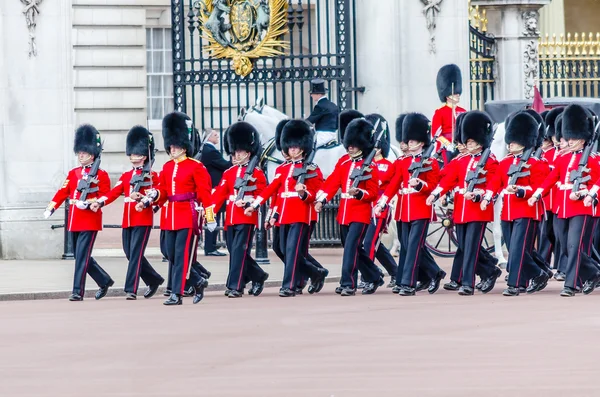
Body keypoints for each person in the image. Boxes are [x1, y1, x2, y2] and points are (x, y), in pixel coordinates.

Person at [247, 120, 328, 297]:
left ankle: (289, 286)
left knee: (292, 251)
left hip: (300, 214)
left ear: (302, 147)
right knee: (282, 250)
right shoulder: (282, 169)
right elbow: (271, 190)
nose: (292, 149)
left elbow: (316, 193)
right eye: (290, 146)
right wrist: (256, 204)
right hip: (283, 214)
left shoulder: (311, 169)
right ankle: (315, 273)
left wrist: (304, 193)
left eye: (295, 146)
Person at [139, 111, 212, 305]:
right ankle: (197, 281)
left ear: (184, 146)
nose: (172, 149)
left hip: (187, 214)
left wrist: (210, 217)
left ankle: (176, 294)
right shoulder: (167, 167)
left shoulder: (196, 166)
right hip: (169, 215)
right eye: (170, 145)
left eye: (176, 145)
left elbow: (206, 194)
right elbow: (163, 190)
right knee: (168, 252)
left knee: (180, 255)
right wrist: (154, 196)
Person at [529, 104, 600, 297]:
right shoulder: (562, 158)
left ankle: (570, 285)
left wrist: (588, 194)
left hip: (582, 208)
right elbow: (551, 179)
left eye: (573, 138)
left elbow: (598, 182)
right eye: (568, 137)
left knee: (574, 246)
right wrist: (538, 194)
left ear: (584, 138)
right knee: (565, 246)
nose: (569, 141)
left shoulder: (593, 159)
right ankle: (593, 273)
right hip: (563, 207)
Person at [481, 112, 550, 296]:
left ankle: (514, 284)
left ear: (525, 141)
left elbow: (538, 187)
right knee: (514, 248)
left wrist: (521, 191)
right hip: (508, 212)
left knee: (518, 249)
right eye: (510, 142)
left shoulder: (536, 163)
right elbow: (496, 182)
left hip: (526, 210)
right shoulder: (505, 163)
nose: (510, 144)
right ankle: (535, 275)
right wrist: (487, 196)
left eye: (514, 141)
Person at [92, 126, 165, 300]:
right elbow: (113, 193)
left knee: (136, 254)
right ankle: (154, 279)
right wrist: (100, 202)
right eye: (132, 154)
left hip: (143, 218)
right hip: (128, 220)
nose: (133, 157)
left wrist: (145, 197)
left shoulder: (152, 176)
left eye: (137, 154)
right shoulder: (126, 176)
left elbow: (160, 195)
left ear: (144, 156)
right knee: (129, 253)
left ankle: (131, 289)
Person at [375, 113, 444, 296]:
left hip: (421, 208)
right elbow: (393, 185)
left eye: (413, 141)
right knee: (408, 246)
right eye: (408, 141)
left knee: (413, 246)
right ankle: (434, 273)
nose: (409, 144)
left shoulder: (430, 162)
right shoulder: (402, 162)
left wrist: (420, 185)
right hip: (403, 209)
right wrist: (383, 202)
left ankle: (408, 283)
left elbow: (434, 185)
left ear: (422, 142)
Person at [43, 124, 114, 301]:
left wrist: (91, 202)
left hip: (90, 219)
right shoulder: (73, 173)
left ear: (92, 154)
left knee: (81, 257)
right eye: (80, 152)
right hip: (75, 219)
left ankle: (77, 291)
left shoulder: (101, 175)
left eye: (84, 152)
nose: (80, 155)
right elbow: (63, 192)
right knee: (80, 255)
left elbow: (104, 195)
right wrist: (51, 207)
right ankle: (104, 280)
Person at [315, 117, 384, 296]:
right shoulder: (344, 162)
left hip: (360, 213)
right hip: (344, 212)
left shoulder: (370, 166)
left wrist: (360, 194)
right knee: (354, 249)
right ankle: (374, 275)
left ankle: (348, 283)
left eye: (354, 143)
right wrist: (322, 199)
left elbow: (373, 192)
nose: (351, 147)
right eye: (349, 143)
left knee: (351, 248)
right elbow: (332, 183)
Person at [210, 122, 269, 298]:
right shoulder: (228, 173)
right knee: (234, 250)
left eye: (240, 152)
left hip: (246, 217)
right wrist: (209, 212)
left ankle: (235, 286)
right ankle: (258, 276)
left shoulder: (256, 173)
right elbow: (219, 195)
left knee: (238, 251)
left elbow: (262, 193)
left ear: (248, 153)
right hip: (231, 218)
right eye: (234, 152)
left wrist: (249, 202)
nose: (236, 155)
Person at [200, 128, 232, 257]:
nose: (217, 136)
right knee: (212, 217)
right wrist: (233, 159)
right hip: (213, 190)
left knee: (212, 218)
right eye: (214, 134)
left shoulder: (208, 149)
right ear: (208, 137)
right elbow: (224, 165)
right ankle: (210, 247)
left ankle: (211, 246)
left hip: (213, 189)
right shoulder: (210, 150)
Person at [431, 64, 467, 165]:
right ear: (447, 95)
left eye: (458, 93)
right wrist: (447, 144)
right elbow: (436, 134)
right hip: (445, 148)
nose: (458, 95)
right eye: (455, 93)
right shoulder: (440, 112)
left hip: (461, 145)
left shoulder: (463, 111)